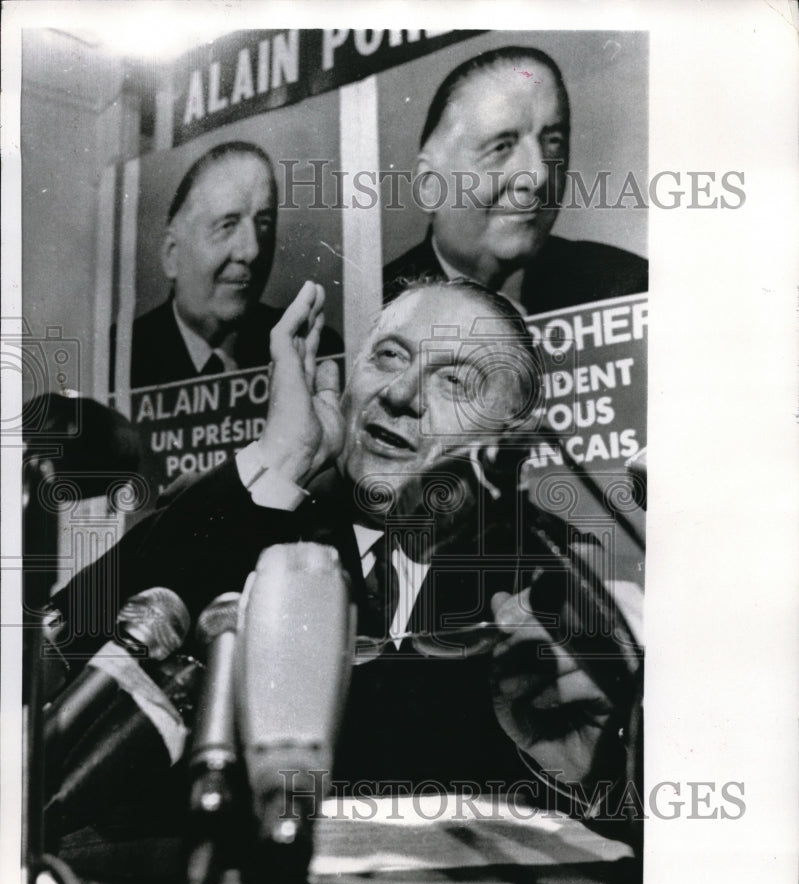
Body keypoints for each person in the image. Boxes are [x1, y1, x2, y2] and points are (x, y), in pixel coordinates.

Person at [57, 278, 639, 810]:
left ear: (505, 441)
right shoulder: (240, 511)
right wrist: (283, 456)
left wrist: (582, 773)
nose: (402, 393)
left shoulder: (556, 580)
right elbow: (59, 653)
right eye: (389, 356)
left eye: (456, 381)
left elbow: (614, 796)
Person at [383, 46, 648, 314]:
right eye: (501, 147)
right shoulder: (375, 309)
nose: (538, 175)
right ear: (430, 187)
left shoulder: (628, 286)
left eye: (553, 143)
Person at [129, 141, 340, 389]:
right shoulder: (118, 358)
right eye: (227, 225)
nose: (252, 251)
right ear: (171, 255)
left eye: (264, 224)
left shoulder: (313, 347)